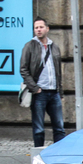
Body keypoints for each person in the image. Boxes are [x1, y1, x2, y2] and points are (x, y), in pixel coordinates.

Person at [20, 16, 66, 147]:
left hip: (54, 92)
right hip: (39, 93)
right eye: (36, 28)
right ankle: (39, 155)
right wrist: (35, 88)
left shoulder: (54, 47)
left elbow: (58, 71)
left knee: (59, 128)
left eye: (41, 27)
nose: (38, 30)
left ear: (47, 29)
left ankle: (59, 154)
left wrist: (60, 91)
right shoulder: (29, 46)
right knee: (39, 129)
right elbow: (23, 69)